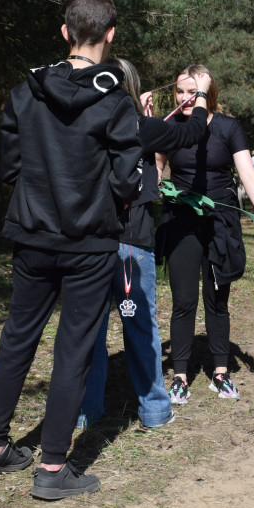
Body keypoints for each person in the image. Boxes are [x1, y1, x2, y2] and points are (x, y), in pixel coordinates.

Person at [0, 0, 143, 501]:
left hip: (32, 231)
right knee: (73, 350)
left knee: (18, 336)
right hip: (89, 240)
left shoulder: (25, 92)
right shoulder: (115, 102)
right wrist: (99, 204)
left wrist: (40, 195)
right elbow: (128, 178)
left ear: (65, 32)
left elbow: (8, 167)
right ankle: (50, 468)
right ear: (110, 35)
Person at [78, 59, 212, 430]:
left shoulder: (86, 120)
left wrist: (143, 112)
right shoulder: (138, 124)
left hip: (87, 241)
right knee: (139, 324)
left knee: (90, 326)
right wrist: (200, 94)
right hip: (129, 243)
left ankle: (86, 410)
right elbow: (192, 133)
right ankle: (154, 408)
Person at [155, 64, 254, 404]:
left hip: (221, 220)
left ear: (209, 93)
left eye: (191, 91)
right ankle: (180, 376)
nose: (183, 97)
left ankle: (219, 373)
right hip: (181, 219)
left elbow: (249, 175)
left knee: (217, 300)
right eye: (179, 91)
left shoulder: (228, 128)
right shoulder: (170, 127)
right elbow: (155, 169)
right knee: (183, 301)